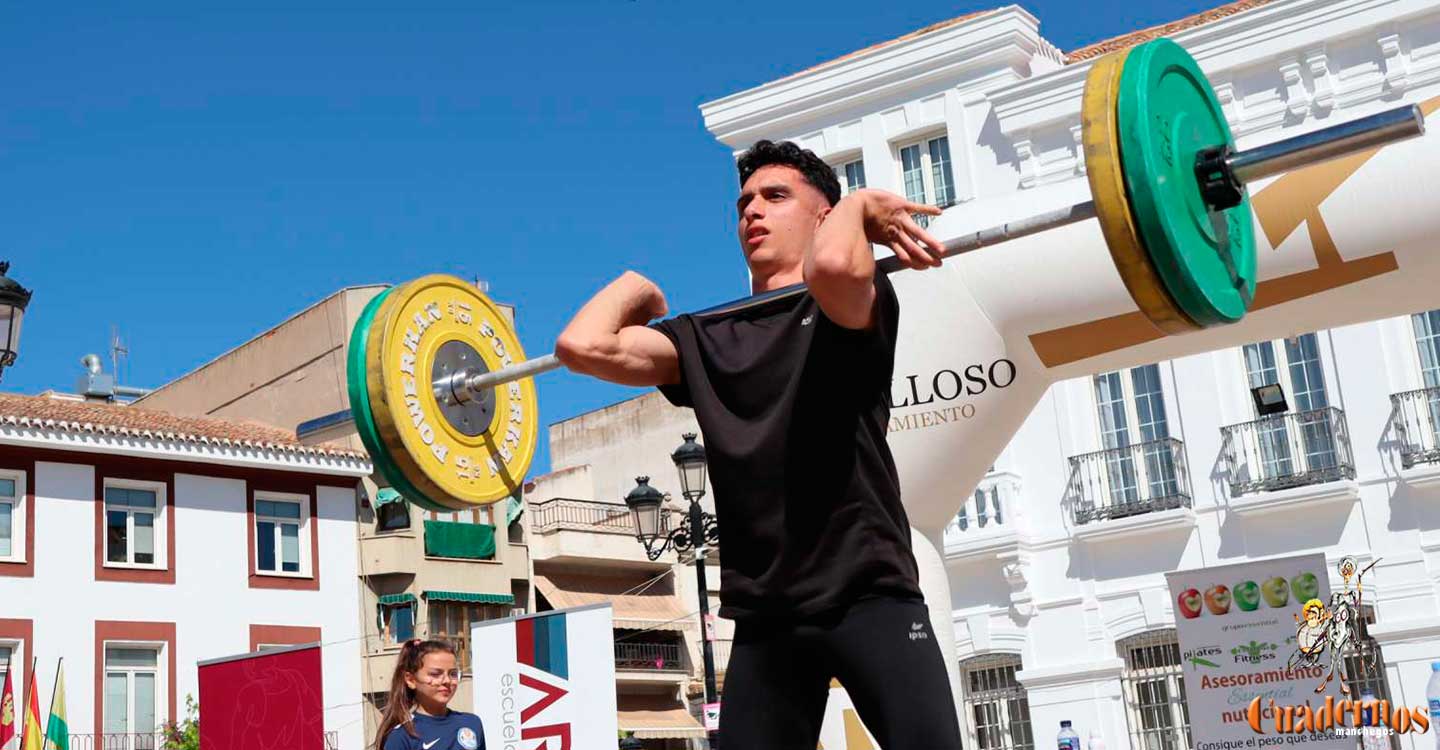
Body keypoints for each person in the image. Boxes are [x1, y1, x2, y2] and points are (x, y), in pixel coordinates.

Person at [555, 140, 962, 747]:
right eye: (744, 201)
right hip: (767, 615)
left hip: (869, 594)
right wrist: (638, 288)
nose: (752, 211)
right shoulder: (707, 339)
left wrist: (856, 210)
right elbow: (581, 347)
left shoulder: (855, 298)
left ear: (824, 216)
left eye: (776, 197)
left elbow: (832, 270)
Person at [375, 639, 485, 750]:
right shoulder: (402, 735)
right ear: (411, 680)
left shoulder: (472, 723)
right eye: (435, 674)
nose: (446, 680)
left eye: (453, 674)